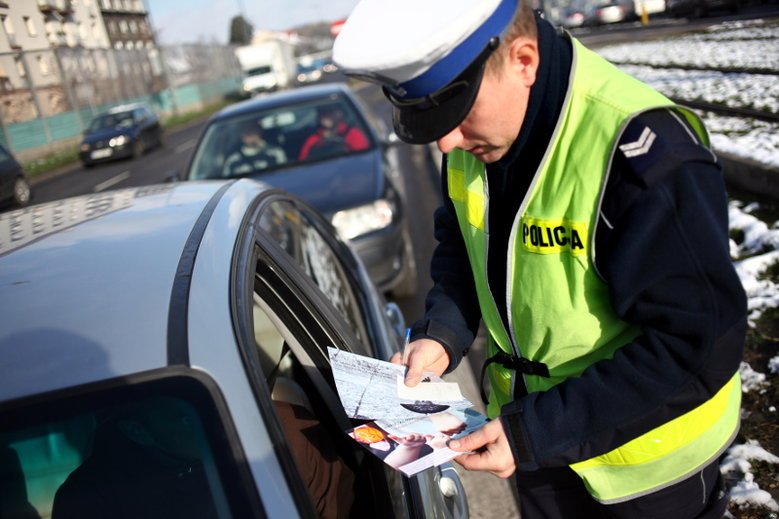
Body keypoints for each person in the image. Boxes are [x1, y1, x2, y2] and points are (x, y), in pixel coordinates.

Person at [333, 1, 747, 518]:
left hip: (652, 473)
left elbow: (699, 343)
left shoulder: (640, 154)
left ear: (524, 60)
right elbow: (464, 244)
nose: (446, 140)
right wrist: (443, 333)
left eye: (455, 112)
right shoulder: (473, 136)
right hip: (534, 447)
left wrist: (536, 430)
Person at [298, 104, 369, 160]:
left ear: (339, 114)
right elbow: (304, 165)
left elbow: (364, 158)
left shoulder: (354, 134)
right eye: (323, 112)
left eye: (330, 111)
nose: (326, 115)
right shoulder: (312, 141)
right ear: (318, 116)